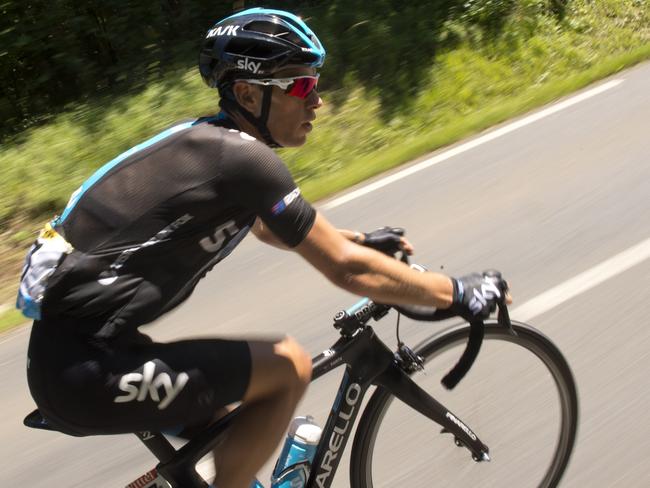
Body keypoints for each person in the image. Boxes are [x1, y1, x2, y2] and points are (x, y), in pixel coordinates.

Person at [18, 7, 510, 488]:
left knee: (233, 421)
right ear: (249, 95)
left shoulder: (214, 146)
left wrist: (361, 240)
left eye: (315, 82)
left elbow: (270, 228)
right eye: (301, 85)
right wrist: (455, 291)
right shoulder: (242, 160)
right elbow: (344, 271)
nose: (317, 99)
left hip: (92, 354)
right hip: (85, 370)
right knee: (287, 366)